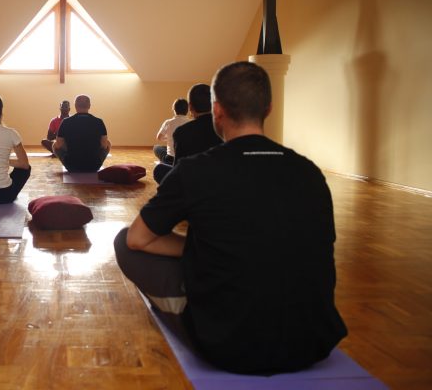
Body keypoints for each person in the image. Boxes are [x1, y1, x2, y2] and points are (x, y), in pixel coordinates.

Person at [114, 61, 347, 375]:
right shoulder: (309, 172)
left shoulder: (196, 170)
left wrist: (197, 248)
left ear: (217, 111)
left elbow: (137, 239)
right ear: (268, 109)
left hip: (230, 346)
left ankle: (188, 314)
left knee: (123, 241)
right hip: (312, 342)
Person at [152, 84, 223, 183]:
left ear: (190, 107)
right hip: (217, 179)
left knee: (158, 168)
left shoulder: (182, 132)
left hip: (192, 179)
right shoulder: (224, 128)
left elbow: (178, 169)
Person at [53, 94, 111, 172]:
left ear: (75, 106)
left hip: (72, 166)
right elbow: (104, 145)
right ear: (89, 106)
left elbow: (59, 145)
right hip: (93, 166)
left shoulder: (66, 122)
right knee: (108, 143)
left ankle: (71, 160)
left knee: (55, 145)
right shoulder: (99, 121)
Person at [153, 98, 190, 164]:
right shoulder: (191, 122)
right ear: (187, 110)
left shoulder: (168, 122)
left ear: (174, 109)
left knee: (156, 147)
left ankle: (166, 163)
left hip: (170, 158)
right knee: (164, 148)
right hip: (186, 158)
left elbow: (159, 137)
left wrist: (169, 139)